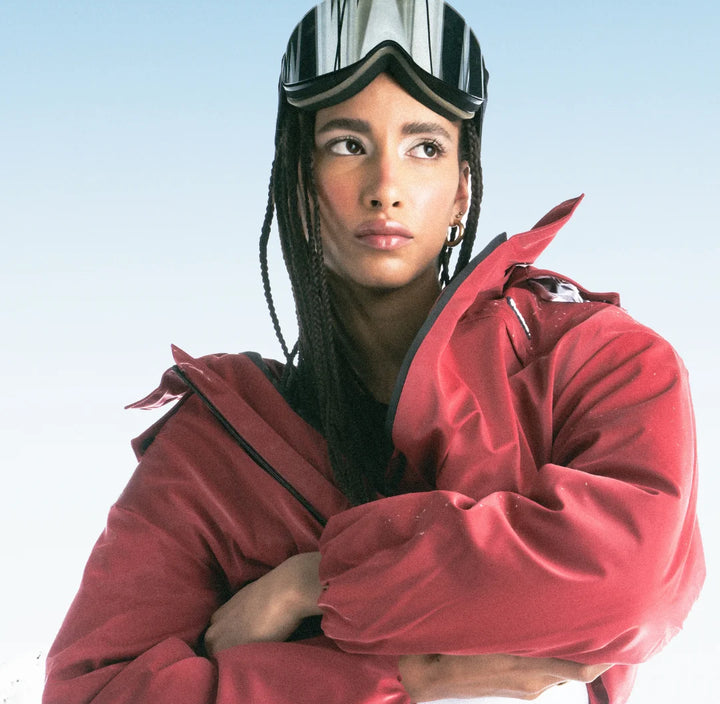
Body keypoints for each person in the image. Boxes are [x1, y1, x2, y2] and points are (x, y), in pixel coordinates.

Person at [43, 1, 704, 703]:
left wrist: (314, 583)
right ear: (301, 184)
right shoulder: (211, 456)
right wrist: (399, 678)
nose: (385, 188)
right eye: (348, 146)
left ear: (462, 192)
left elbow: (633, 581)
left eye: (425, 148)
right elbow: (92, 693)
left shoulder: (598, 363)